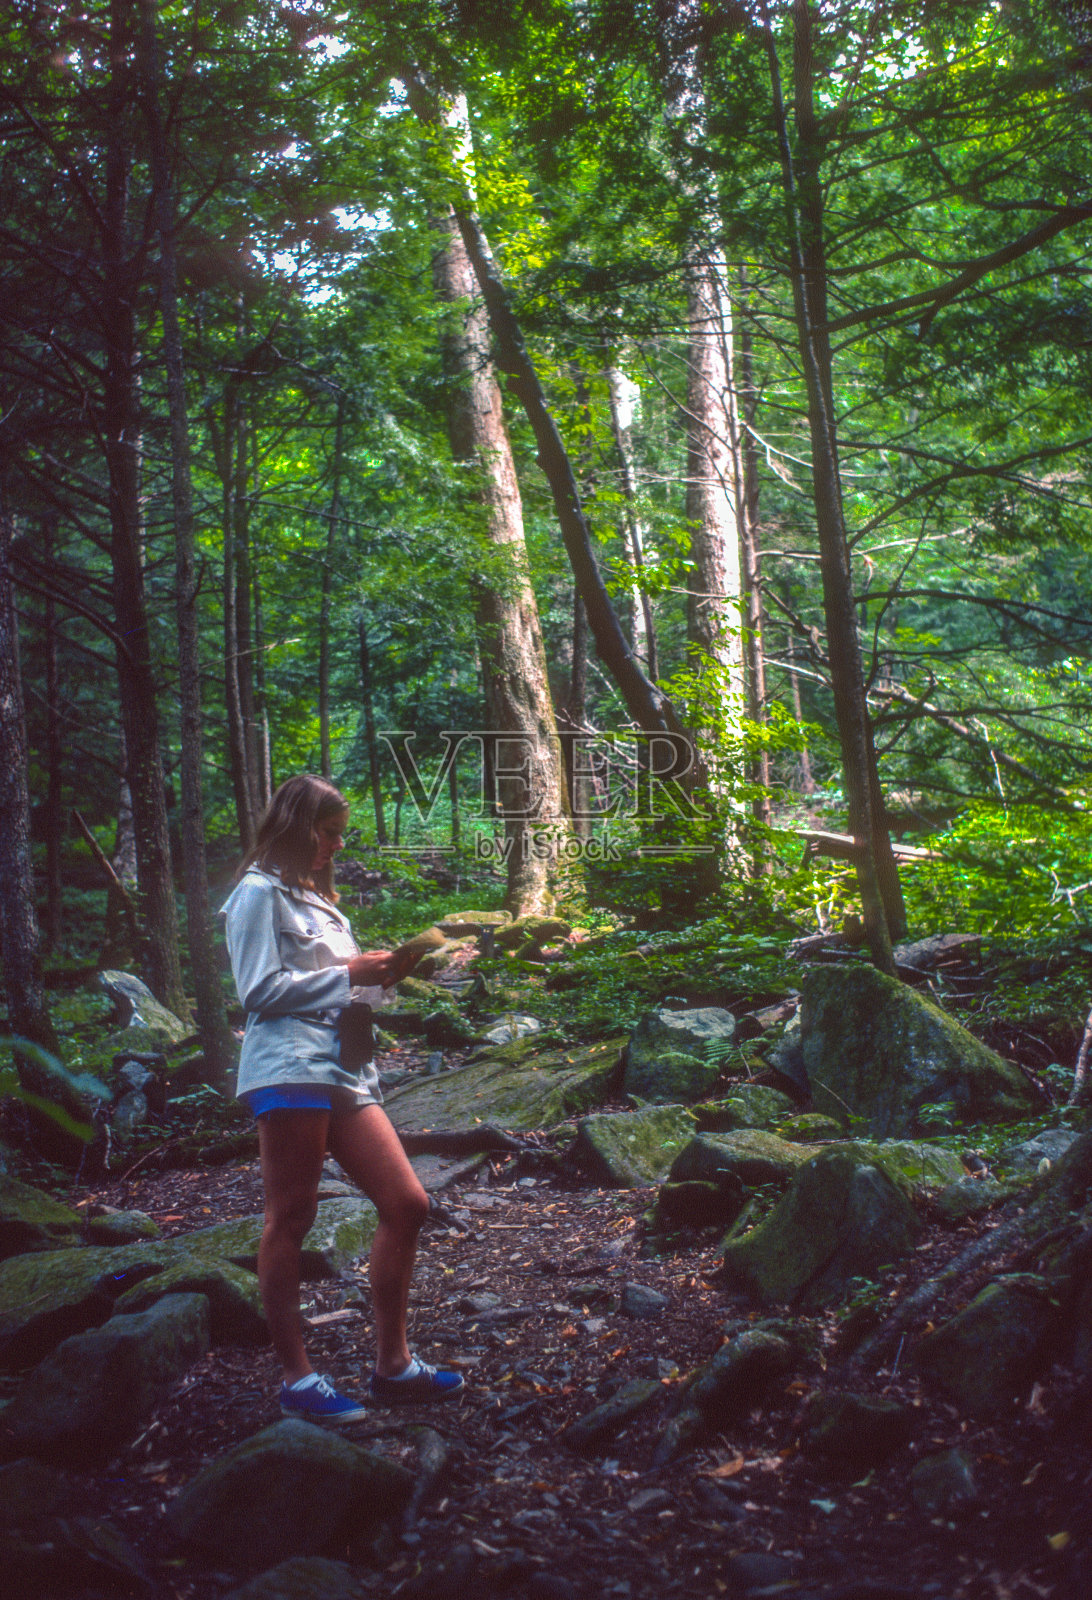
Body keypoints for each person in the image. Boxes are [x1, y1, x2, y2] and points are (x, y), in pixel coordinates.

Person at [221, 773, 464, 1421]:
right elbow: (259, 994)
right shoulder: (256, 895)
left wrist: (387, 973)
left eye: (339, 836)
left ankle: (393, 1366)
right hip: (288, 1067)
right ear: (298, 827)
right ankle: (298, 1379)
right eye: (327, 834)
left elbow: (346, 993)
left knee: (407, 1202)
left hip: (346, 1069)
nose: (335, 846)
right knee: (291, 1217)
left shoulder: (324, 903)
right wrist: (348, 973)